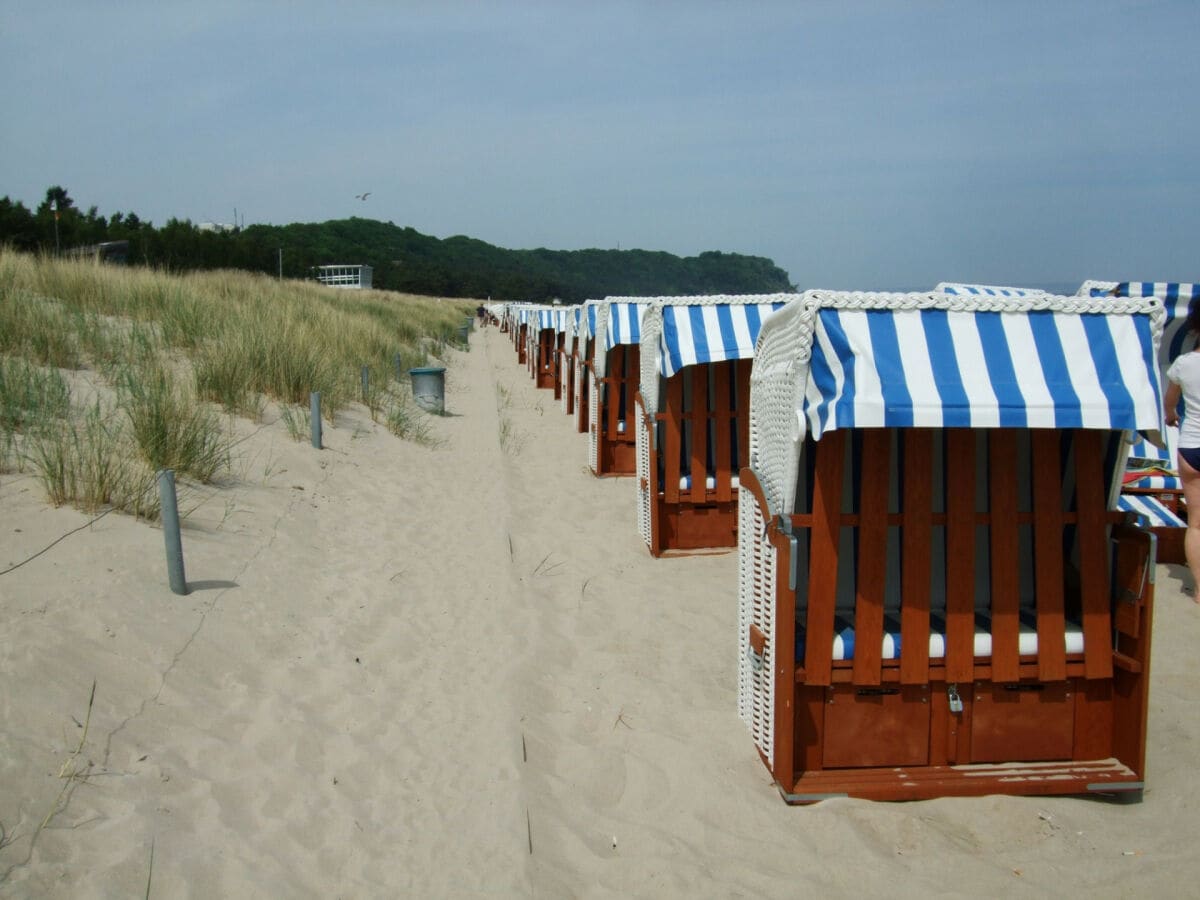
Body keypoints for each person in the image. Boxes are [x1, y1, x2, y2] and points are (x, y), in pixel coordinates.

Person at [1164, 300, 1200, 603]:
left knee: (1196, 523)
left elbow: (1169, 405)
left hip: (1191, 446)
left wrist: (1173, 417)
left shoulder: (1183, 364)